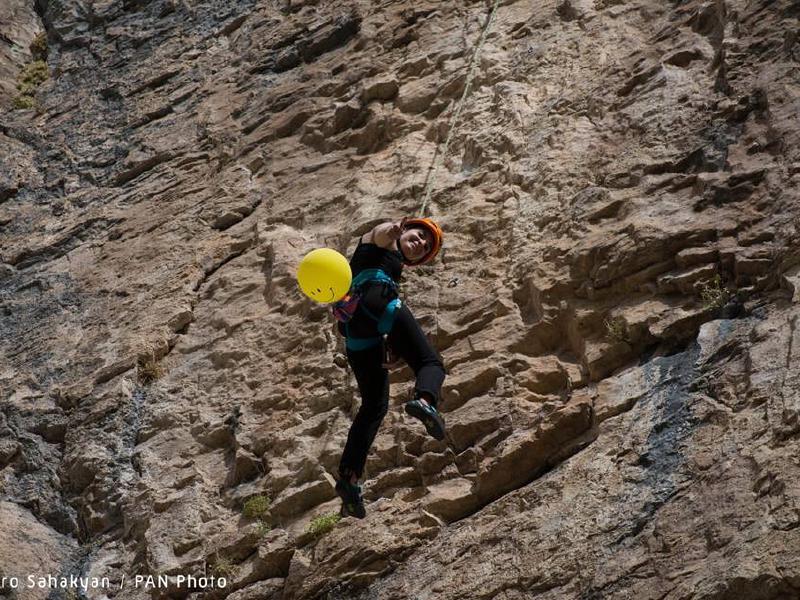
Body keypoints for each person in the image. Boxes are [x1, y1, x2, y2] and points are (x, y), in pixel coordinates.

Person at [334, 216, 446, 518]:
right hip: (378, 301)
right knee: (430, 362)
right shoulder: (377, 241)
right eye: (418, 234)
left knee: (374, 405)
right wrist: (392, 229)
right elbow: (380, 233)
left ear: (418, 260)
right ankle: (425, 401)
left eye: (424, 246)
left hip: (357, 328)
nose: (420, 242)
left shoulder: (390, 261)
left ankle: (349, 479)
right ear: (405, 228)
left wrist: (391, 342)